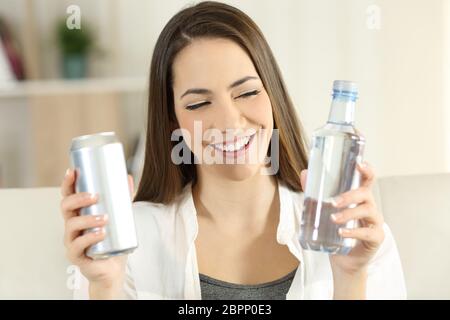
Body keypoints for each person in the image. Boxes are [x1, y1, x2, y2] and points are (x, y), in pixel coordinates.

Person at [60, 1, 406, 300]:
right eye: (198, 103)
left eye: (246, 93)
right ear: (172, 122)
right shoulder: (130, 239)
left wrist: (350, 276)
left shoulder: (351, 233)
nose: (228, 120)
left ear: (272, 97)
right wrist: (104, 287)